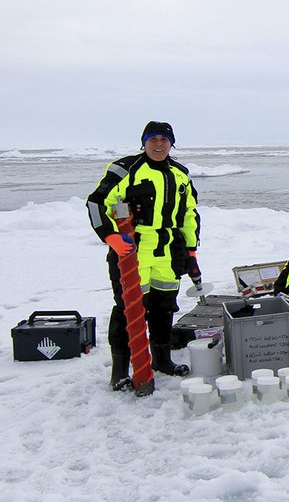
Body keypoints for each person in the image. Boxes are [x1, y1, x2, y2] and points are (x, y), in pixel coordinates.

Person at [86, 121, 201, 391]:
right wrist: (109, 235)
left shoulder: (180, 174)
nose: (159, 144)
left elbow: (189, 214)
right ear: (144, 142)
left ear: (172, 144)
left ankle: (161, 360)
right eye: (153, 139)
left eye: (164, 139)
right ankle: (120, 371)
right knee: (129, 310)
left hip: (168, 252)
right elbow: (96, 203)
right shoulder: (125, 169)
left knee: (164, 307)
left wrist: (191, 248)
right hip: (132, 251)